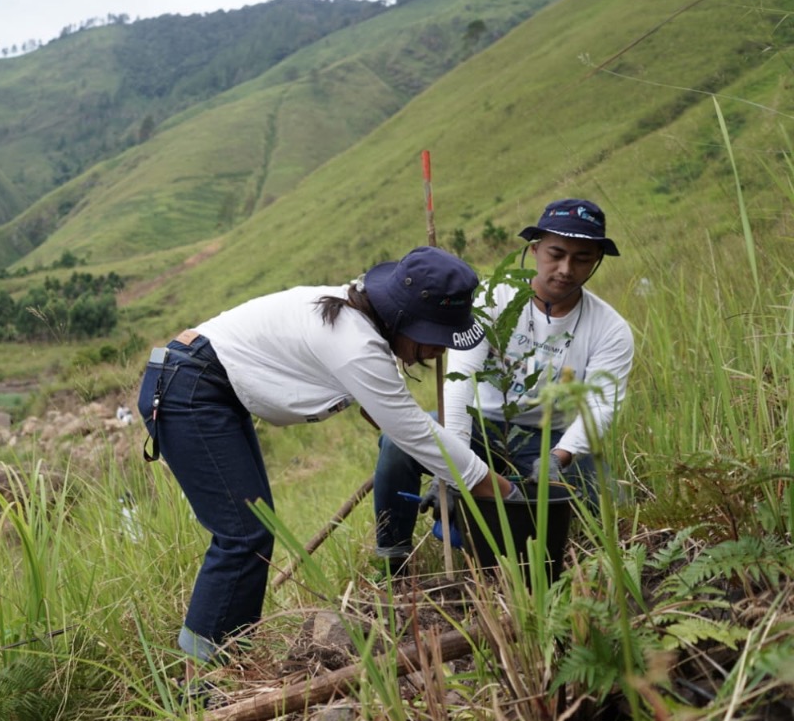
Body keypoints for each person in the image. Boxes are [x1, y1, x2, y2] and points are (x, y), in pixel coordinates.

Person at [137, 246, 521, 668]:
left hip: (204, 382)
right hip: (190, 389)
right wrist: (507, 493)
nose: (438, 352)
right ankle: (201, 677)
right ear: (403, 320)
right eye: (435, 337)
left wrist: (436, 461)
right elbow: (414, 431)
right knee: (243, 536)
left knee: (253, 531)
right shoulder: (354, 343)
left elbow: (393, 419)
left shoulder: (359, 320)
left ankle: (232, 660)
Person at [373, 199, 634, 574]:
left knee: (611, 503)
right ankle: (392, 560)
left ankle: (558, 559)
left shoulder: (610, 329)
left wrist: (561, 456)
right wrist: (451, 467)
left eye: (581, 258)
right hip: (478, 427)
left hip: (550, 439)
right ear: (535, 250)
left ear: (596, 261)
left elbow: (601, 405)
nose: (565, 269)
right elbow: (460, 379)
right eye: (556, 254)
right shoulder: (492, 299)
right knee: (398, 441)